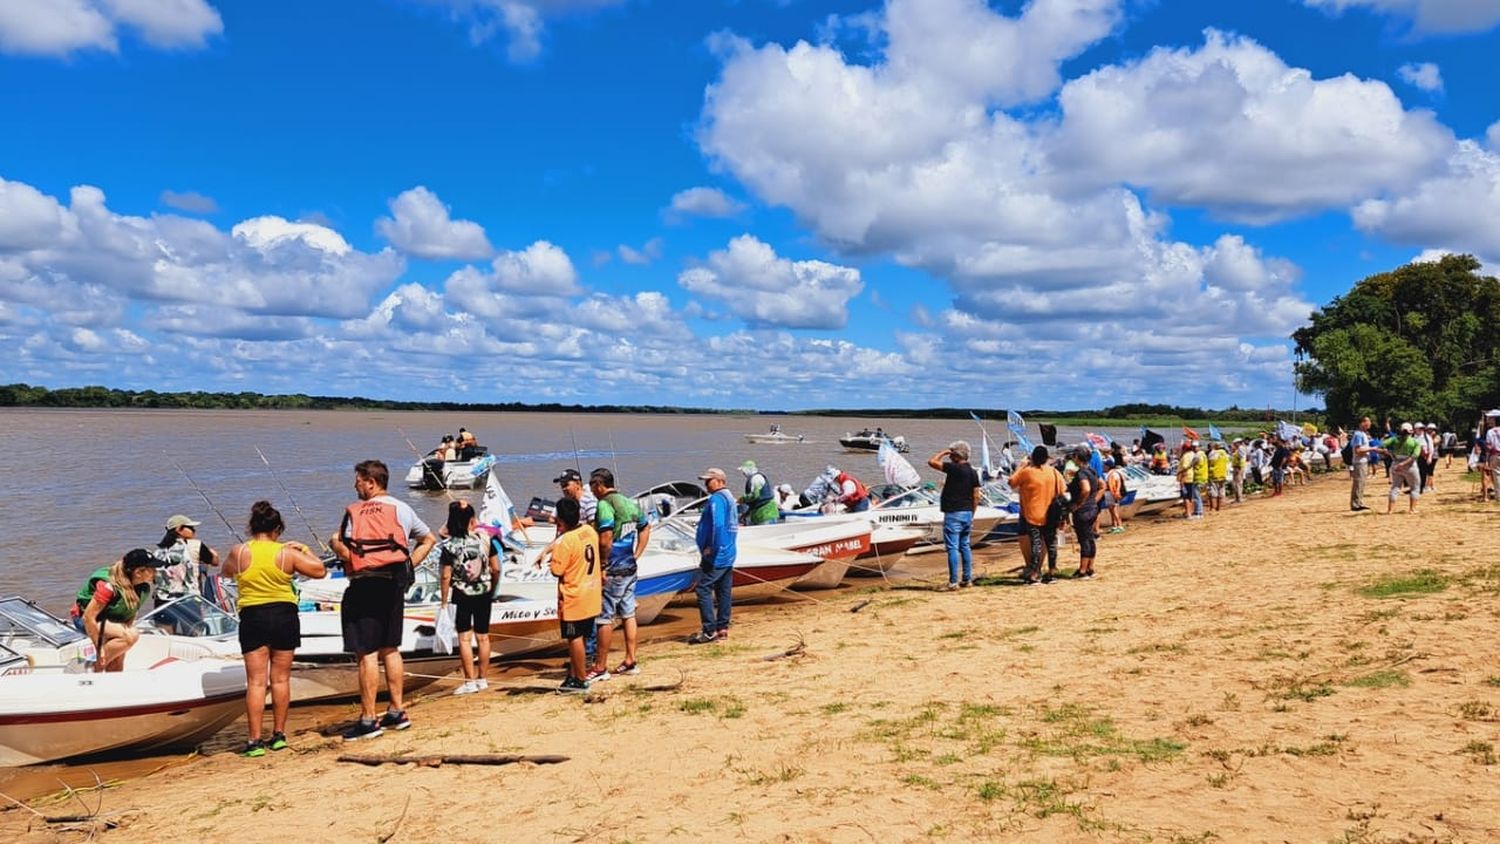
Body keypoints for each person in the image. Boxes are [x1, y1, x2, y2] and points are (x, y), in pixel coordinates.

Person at [329, 460, 437, 741]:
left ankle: (368, 719)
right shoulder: (403, 508)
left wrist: (334, 544)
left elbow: (348, 554)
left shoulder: (356, 513)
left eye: (358, 481)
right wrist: (408, 565)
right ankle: (397, 711)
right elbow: (429, 539)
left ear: (371, 483)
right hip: (393, 585)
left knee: (366, 653)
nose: (355, 486)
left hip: (365, 586)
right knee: (390, 648)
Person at [221, 501, 326, 757]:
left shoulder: (240, 551)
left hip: (253, 616)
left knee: (256, 683)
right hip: (283, 615)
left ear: (251, 527)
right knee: (280, 679)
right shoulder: (286, 553)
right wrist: (304, 548)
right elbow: (320, 570)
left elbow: (225, 573)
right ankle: (279, 735)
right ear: (278, 528)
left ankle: (254, 741)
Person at [587, 468, 652, 681]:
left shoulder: (604, 505)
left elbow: (605, 538)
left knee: (603, 618)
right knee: (627, 614)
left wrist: (603, 564)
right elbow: (645, 527)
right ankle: (631, 659)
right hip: (630, 566)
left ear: (599, 485)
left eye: (591, 486)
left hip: (613, 568)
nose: (591, 491)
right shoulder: (630, 503)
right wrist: (637, 553)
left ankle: (600, 666)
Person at [437, 501, 499, 696]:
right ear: (472, 520)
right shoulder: (485, 539)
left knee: (465, 638)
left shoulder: (449, 546)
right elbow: (496, 567)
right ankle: (482, 678)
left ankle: (469, 681)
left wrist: (444, 601)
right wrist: (493, 587)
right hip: (485, 590)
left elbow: (446, 575)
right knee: (483, 636)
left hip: (462, 593)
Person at [72, 549, 161, 672]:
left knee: (118, 659)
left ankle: (110, 685)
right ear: (138, 572)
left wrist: (121, 641)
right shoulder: (108, 587)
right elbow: (88, 617)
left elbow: (131, 613)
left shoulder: (142, 588)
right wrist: (100, 649)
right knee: (131, 636)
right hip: (86, 619)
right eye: (152, 569)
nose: (155, 572)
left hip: (110, 620)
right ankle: (91, 669)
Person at [546, 497, 601, 693]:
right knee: (583, 636)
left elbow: (556, 571)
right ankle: (574, 673)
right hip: (591, 593)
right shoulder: (589, 531)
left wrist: (552, 560)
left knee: (574, 637)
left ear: (561, 519)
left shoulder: (565, 542)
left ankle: (580, 679)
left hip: (574, 596)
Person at [690, 467, 738, 643]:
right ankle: (722, 628)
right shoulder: (730, 498)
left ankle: (709, 630)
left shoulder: (717, 498)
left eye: (709, 481)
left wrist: (711, 546)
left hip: (718, 554)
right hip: (728, 552)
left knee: (703, 588)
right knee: (723, 590)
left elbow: (718, 525)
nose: (706, 484)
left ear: (719, 481)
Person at [1008, 446, 1065, 586]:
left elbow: (1011, 482)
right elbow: (1063, 490)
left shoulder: (1027, 472)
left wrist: (1021, 466)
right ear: (1047, 458)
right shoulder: (1054, 472)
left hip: (1033, 513)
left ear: (1033, 458)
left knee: (1036, 543)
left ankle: (1034, 573)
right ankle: (1051, 573)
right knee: (1051, 544)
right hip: (1051, 513)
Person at [928, 441, 981, 590]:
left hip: (953, 513)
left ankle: (953, 582)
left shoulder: (953, 468)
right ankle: (967, 579)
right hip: (967, 513)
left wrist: (944, 452)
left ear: (956, 455)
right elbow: (976, 495)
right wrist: (972, 513)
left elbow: (932, 462)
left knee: (952, 548)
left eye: (952, 454)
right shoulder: (972, 471)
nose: (950, 457)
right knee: (965, 546)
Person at [150, 514, 220, 610]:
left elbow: (154, 579)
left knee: (163, 625)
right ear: (179, 529)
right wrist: (214, 554)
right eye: (190, 527)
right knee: (193, 625)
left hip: (162, 599)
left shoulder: (159, 551)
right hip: (188, 599)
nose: (194, 530)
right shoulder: (196, 545)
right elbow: (215, 562)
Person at [1066, 446, 1104, 578]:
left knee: (1084, 540)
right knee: (1089, 538)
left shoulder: (1082, 473)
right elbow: (1102, 486)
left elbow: (1086, 489)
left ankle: (1082, 570)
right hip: (1092, 508)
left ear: (1077, 457)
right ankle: (1090, 568)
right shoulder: (1091, 471)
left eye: (1073, 456)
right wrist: (1094, 500)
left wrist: (1078, 504)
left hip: (1083, 511)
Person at [1377, 423, 1422, 514]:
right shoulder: (1415, 442)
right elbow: (1414, 456)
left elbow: (1381, 445)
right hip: (1410, 466)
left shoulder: (1394, 439)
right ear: (1411, 431)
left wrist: (1389, 453)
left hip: (1395, 464)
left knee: (1395, 487)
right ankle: (1412, 509)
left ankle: (1390, 510)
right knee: (1415, 487)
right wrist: (1403, 464)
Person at [737, 460, 780, 526]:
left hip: (766, 514)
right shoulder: (754, 478)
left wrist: (742, 499)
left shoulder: (756, 478)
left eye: (744, 471)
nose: (743, 473)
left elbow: (755, 495)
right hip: (759, 514)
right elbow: (754, 502)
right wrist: (746, 514)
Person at [1349, 417, 1374, 511]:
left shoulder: (1363, 434)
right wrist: (1372, 449)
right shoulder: (1358, 435)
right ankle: (1356, 504)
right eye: (1368, 421)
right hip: (1359, 462)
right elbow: (1358, 450)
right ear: (1362, 423)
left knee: (1361, 483)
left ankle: (1359, 502)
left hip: (1363, 461)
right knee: (1358, 482)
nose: (1370, 424)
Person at [1177, 441, 1202, 520]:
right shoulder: (1194, 455)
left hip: (1186, 478)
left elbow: (1184, 468)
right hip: (1192, 477)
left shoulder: (1185, 456)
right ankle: (1189, 512)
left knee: (1186, 496)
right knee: (1190, 496)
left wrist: (1181, 478)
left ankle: (1188, 514)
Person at [1102, 459, 1126, 532]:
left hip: (1111, 493)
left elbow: (1116, 483)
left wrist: (1116, 492)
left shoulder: (1113, 474)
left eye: (1105, 465)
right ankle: (1115, 525)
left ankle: (1119, 525)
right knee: (1111, 510)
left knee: (1114, 510)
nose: (1103, 467)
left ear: (1108, 466)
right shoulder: (1111, 473)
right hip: (1110, 493)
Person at [1205, 442, 1229, 513]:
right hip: (1223, 474)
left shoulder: (1212, 453)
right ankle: (1220, 508)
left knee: (1213, 492)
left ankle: (1213, 508)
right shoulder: (1224, 453)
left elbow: (1209, 463)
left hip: (1214, 474)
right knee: (1221, 491)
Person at [1229, 438, 1248, 503]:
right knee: (1236, 483)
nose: (1234, 445)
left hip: (1238, 467)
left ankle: (1239, 498)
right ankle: (1237, 498)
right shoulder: (1237, 449)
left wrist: (1239, 468)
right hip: (1236, 467)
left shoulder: (1241, 448)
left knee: (1238, 483)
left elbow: (1242, 458)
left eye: (1235, 443)